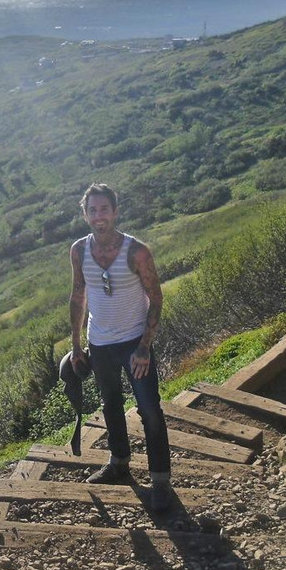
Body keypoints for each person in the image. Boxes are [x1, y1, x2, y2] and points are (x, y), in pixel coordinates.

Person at [69, 183, 172, 512]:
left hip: (133, 342)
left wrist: (144, 346)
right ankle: (119, 463)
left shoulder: (136, 251)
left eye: (105, 210)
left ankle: (160, 482)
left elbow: (156, 297)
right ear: (85, 215)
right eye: (93, 210)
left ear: (115, 212)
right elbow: (77, 295)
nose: (99, 217)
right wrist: (76, 346)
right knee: (110, 405)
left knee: (150, 411)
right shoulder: (79, 251)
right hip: (99, 343)